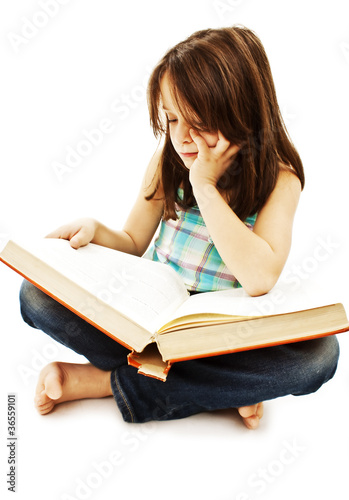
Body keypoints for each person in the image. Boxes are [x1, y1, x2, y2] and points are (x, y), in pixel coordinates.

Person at [19, 26, 339, 430]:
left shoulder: (279, 180)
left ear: (242, 112)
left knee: (320, 356)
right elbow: (133, 241)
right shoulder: (167, 162)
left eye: (200, 122)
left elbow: (259, 278)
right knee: (36, 296)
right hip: (145, 327)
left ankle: (106, 382)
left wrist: (204, 186)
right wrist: (96, 231)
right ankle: (219, 390)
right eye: (171, 119)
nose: (182, 137)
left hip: (218, 341)